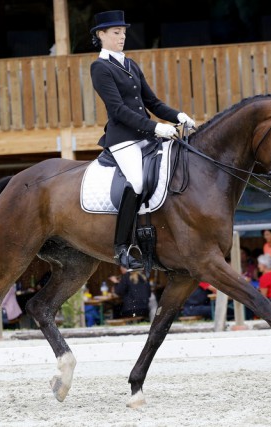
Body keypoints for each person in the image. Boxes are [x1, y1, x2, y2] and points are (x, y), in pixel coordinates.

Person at [90, 10, 195, 270]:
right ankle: (121, 248)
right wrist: (156, 127)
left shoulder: (130, 64)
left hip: (147, 135)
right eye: (116, 32)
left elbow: (152, 102)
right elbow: (118, 110)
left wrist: (179, 116)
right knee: (136, 182)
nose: (122, 36)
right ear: (101, 35)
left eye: (123, 32)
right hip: (123, 139)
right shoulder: (100, 67)